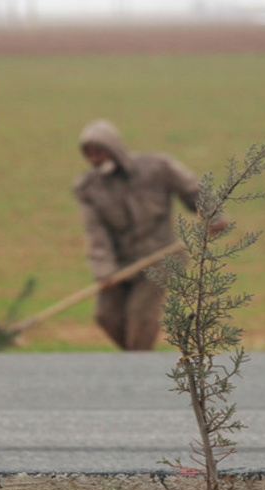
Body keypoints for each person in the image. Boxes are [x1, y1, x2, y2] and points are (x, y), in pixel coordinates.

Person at [74, 119, 223, 351]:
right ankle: (138, 361)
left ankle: (137, 363)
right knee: (107, 316)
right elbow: (96, 233)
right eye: (89, 155)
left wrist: (213, 215)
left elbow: (193, 189)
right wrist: (104, 270)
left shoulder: (157, 168)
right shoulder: (88, 188)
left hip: (161, 256)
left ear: (114, 149)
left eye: (99, 153)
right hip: (120, 262)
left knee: (140, 314)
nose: (94, 159)